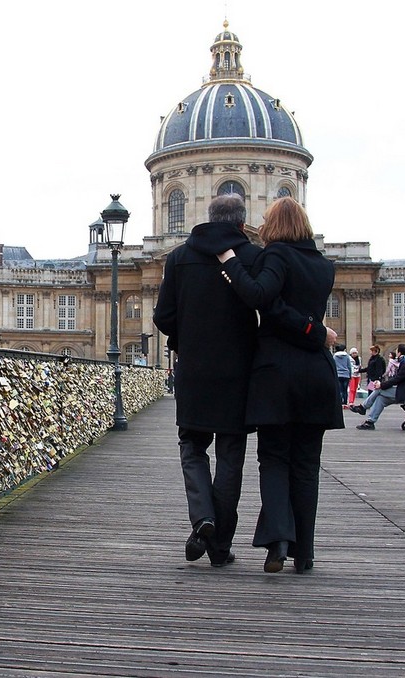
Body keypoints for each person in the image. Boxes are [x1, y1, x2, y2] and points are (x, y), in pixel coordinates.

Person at [217, 196, 342, 574]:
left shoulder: (276, 257)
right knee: (307, 466)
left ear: (273, 226)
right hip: (317, 375)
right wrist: (317, 331)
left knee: (273, 460)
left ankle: (277, 544)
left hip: (278, 374)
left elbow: (263, 300)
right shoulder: (324, 266)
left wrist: (230, 263)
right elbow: (305, 312)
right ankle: (305, 553)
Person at [153, 193, 259, 568]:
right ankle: (220, 547)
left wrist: (187, 341)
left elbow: (163, 317)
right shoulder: (252, 258)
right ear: (242, 224)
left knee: (192, 447)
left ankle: (203, 518)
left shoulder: (180, 258)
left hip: (195, 371)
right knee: (231, 458)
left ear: (208, 217)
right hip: (239, 375)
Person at [355, 344, 405, 430]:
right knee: (381, 399)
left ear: (399, 353)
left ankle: (363, 407)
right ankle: (370, 422)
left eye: (397, 352)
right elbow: (398, 379)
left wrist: (381, 385)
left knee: (379, 389)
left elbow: (397, 379)